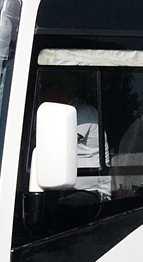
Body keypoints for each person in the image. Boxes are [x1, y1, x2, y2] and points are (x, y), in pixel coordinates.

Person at [37, 69, 112, 199]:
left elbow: (59, 144)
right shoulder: (61, 114)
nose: (40, 92)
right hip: (67, 187)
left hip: (91, 193)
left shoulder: (83, 112)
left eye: (44, 86)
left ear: (59, 88)